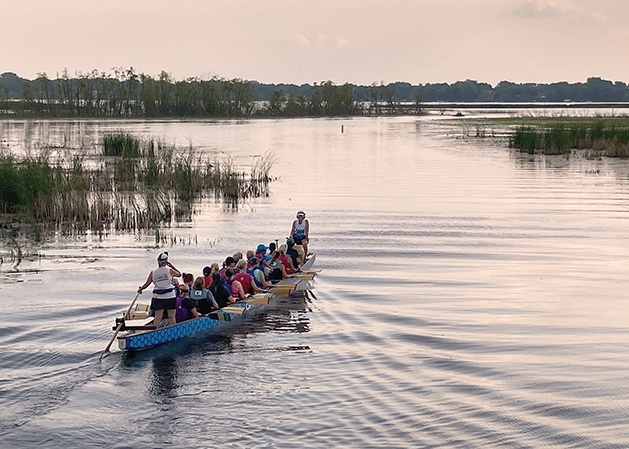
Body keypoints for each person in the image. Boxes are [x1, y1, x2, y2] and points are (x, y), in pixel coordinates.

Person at [138, 252, 181, 329]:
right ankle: (173, 331)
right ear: (166, 262)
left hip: (158, 297)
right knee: (171, 317)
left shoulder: (153, 272)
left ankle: (155, 331)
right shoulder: (169, 270)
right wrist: (172, 266)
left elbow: (146, 284)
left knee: (158, 317)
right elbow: (179, 274)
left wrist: (141, 289)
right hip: (170, 296)